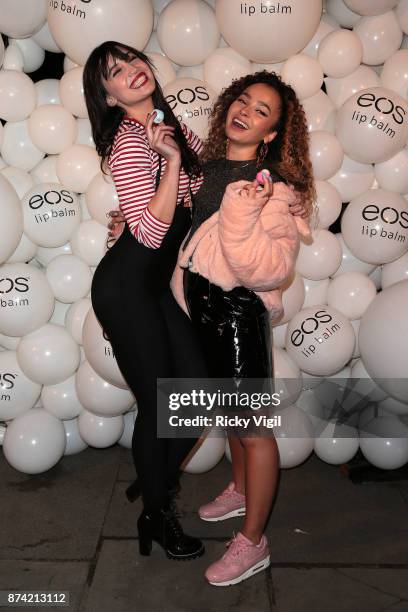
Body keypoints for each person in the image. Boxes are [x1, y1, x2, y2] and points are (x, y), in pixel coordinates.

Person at [169, 71, 315, 586]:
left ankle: (254, 543)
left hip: (237, 312)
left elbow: (271, 269)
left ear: (272, 133)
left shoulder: (271, 187)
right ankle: (240, 490)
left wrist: (238, 214)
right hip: (201, 309)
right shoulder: (208, 169)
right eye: (243, 101)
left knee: (253, 430)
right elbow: (187, 239)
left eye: (262, 111)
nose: (245, 112)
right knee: (232, 418)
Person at [82, 40, 208, 562]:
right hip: (125, 289)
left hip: (151, 286)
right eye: (115, 72)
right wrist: (172, 165)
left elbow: (209, 185)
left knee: (198, 396)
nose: (131, 71)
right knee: (161, 405)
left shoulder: (169, 127)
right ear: (108, 96)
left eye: (134, 60)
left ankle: (151, 481)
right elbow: (152, 233)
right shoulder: (131, 142)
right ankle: (157, 513)